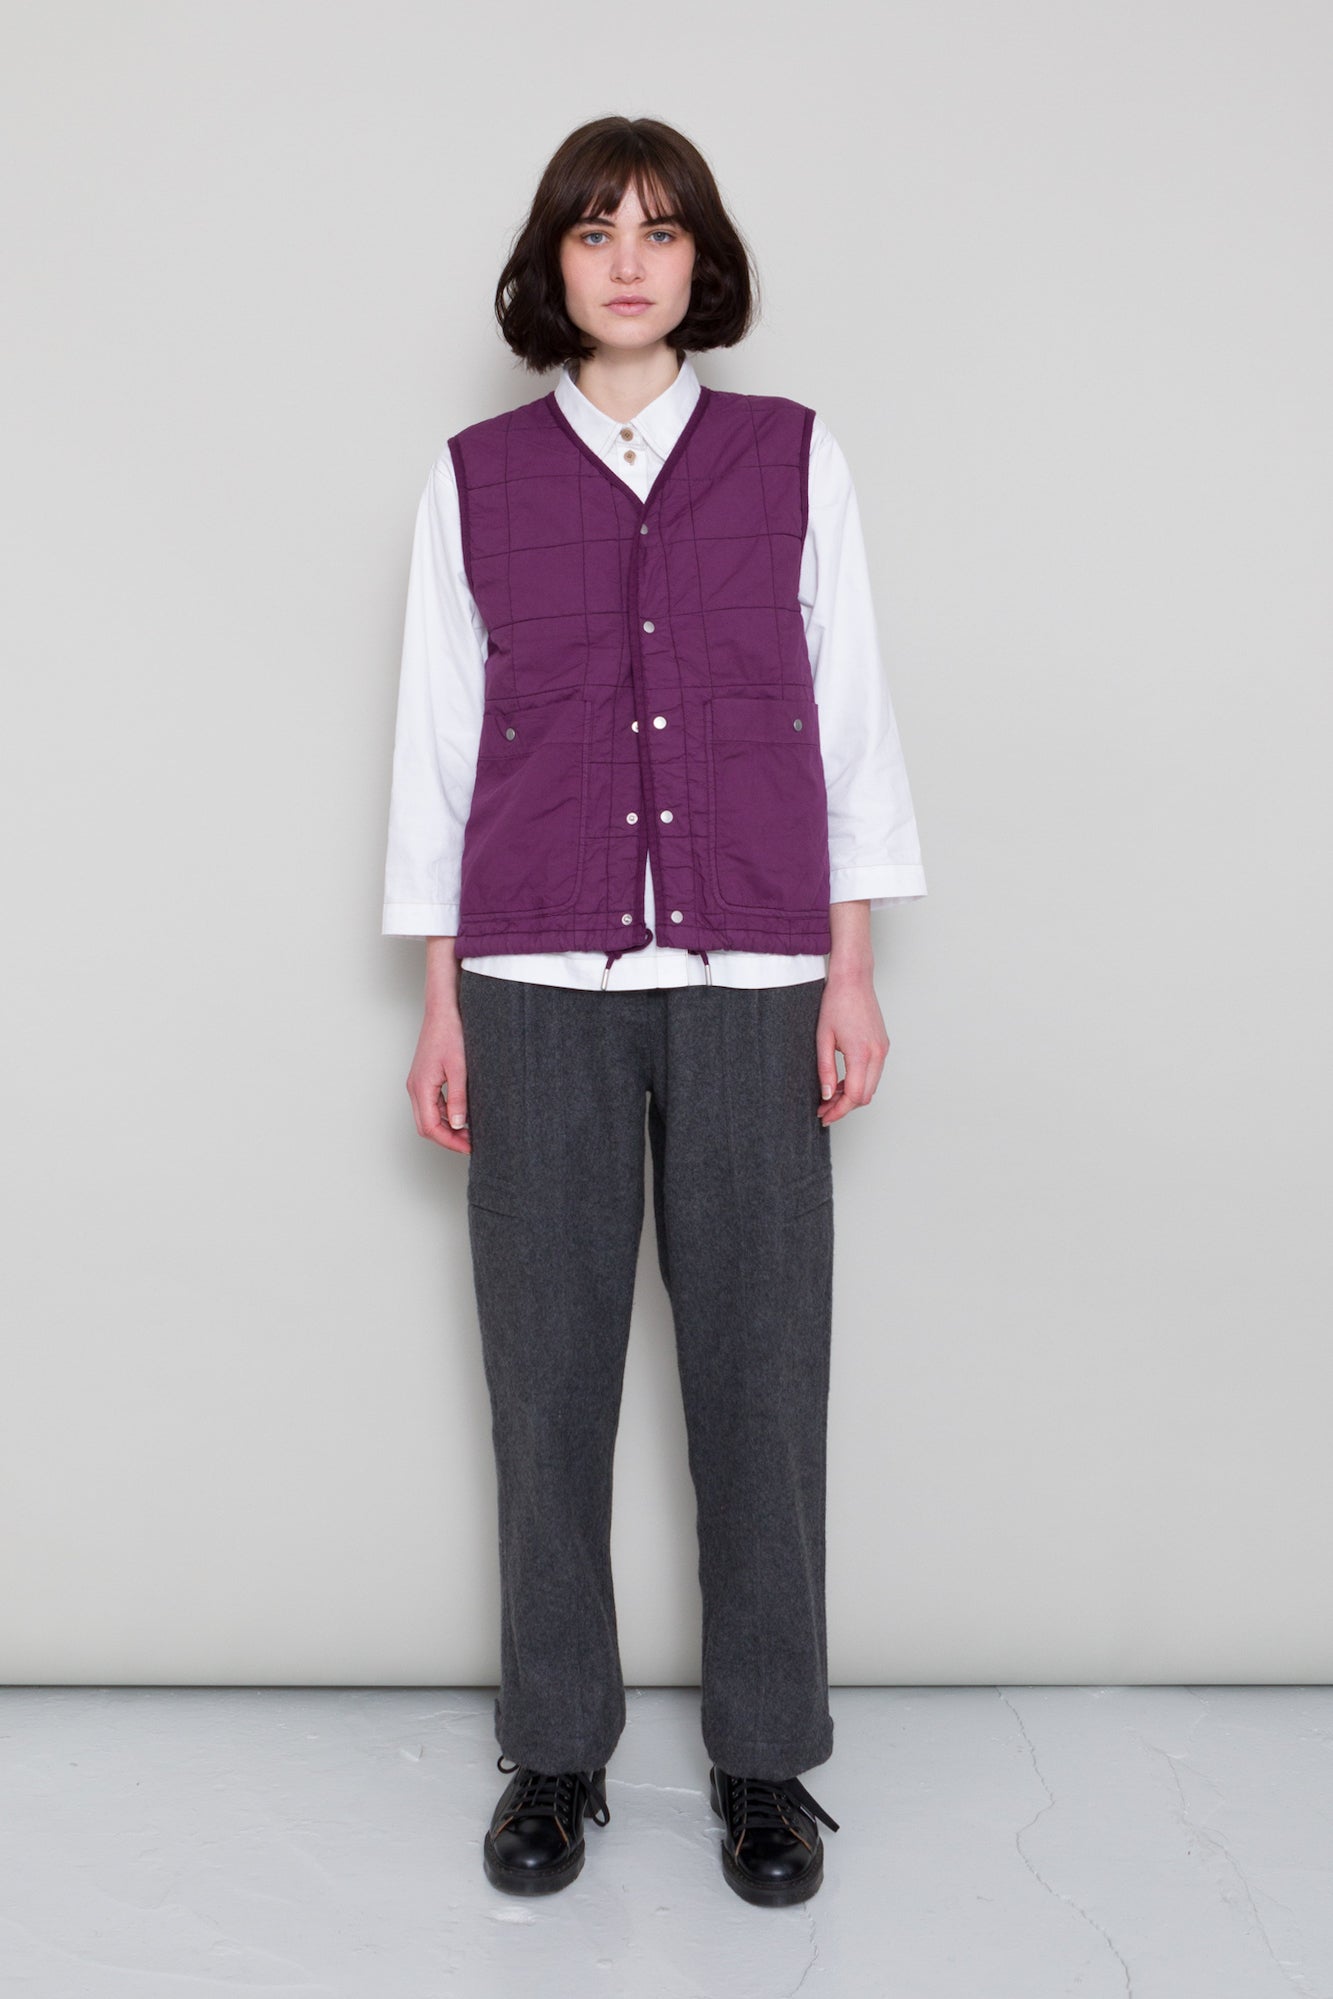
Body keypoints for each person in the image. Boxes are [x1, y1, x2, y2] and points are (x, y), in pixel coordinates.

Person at [381, 114, 927, 1907]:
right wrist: (441, 1002)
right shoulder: (473, 476)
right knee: (543, 1382)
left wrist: (848, 970)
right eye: (595, 230)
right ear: (551, 265)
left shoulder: (790, 457)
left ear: (704, 263)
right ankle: (555, 1750)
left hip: (754, 970)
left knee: (761, 1377)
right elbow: (437, 752)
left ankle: (765, 1764)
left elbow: (847, 712)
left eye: (662, 230)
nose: (629, 261)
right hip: (530, 977)